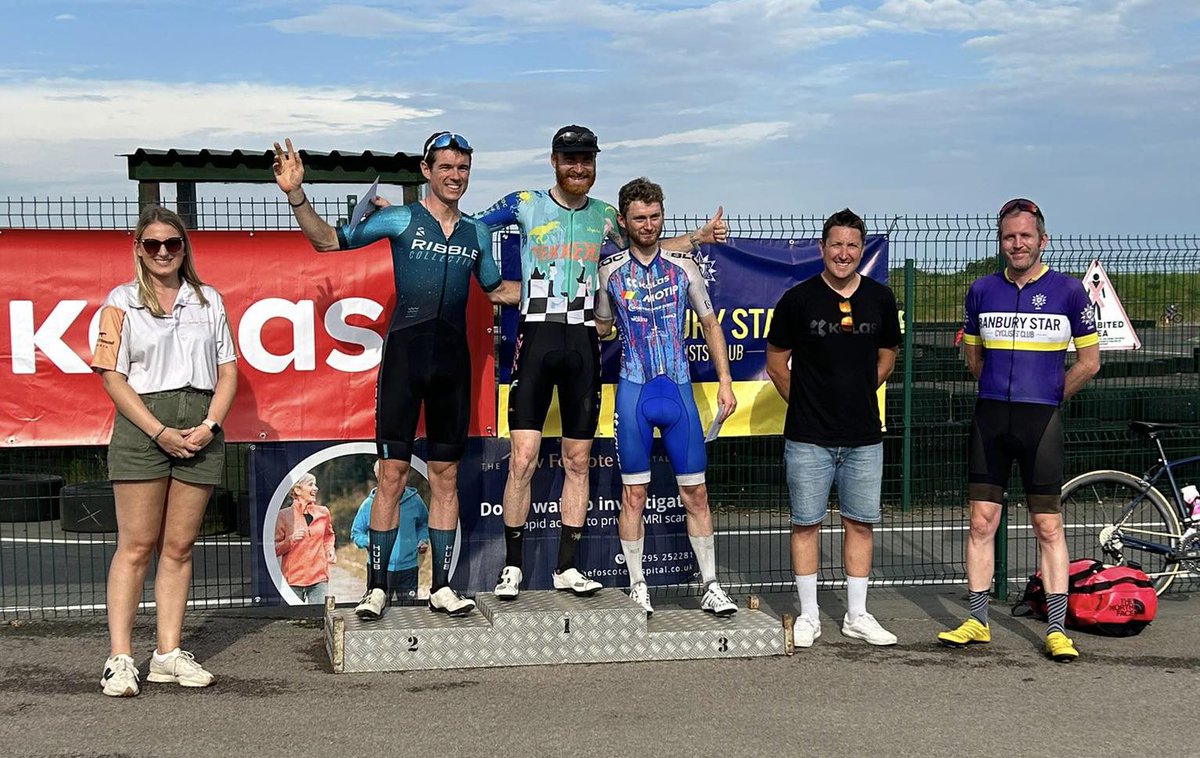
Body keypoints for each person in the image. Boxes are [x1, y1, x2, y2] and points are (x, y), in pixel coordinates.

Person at [272, 133, 518, 620]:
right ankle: (376, 589)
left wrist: (564, 283)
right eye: (445, 167)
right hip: (405, 360)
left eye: (462, 169)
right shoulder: (401, 219)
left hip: (453, 366)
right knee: (392, 474)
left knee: (446, 476)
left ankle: (441, 588)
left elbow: (497, 290)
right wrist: (296, 193)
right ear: (426, 171)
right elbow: (327, 242)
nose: (455, 176)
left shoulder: (476, 232)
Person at [477, 125, 728, 600]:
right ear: (554, 160)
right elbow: (471, 228)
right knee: (523, 459)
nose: (578, 167)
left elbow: (648, 248)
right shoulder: (525, 202)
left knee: (578, 460)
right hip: (535, 338)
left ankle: (566, 567)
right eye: (570, 158)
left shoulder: (605, 215)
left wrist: (698, 237)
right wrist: (495, 285)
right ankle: (511, 568)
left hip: (582, 341)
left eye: (586, 159)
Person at [938, 198, 1100, 662]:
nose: (1017, 244)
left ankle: (1056, 629)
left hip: (1040, 421)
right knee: (980, 522)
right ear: (1000, 242)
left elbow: (1089, 362)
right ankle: (977, 620)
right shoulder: (981, 290)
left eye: (1026, 236)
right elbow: (973, 357)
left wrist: (1050, 396)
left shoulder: (1069, 291)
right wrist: (997, 389)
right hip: (990, 418)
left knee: (1047, 525)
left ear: (1042, 240)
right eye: (1009, 237)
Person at [91, 205, 237, 696]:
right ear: (138, 248)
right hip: (143, 427)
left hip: (200, 427)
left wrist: (210, 425)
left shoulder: (209, 300)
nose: (162, 252)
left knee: (178, 547)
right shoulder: (119, 301)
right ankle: (119, 659)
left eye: (172, 244)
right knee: (135, 546)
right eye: (152, 244)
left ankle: (167, 654)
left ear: (183, 248)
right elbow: (112, 377)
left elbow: (228, 371)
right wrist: (158, 431)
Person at [594, 177, 738, 617]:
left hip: (677, 392)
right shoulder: (609, 272)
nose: (648, 225)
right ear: (624, 221)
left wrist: (725, 381)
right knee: (633, 496)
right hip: (633, 393)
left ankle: (711, 585)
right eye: (639, 218)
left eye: (655, 216)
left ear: (663, 216)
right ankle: (638, 586)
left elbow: (710, 325)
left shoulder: (685, 268)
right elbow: (603, 326)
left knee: (696, 493)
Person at [765, 208, 901, 648]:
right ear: (822, 248)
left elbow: (887, 356)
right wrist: (809, 402)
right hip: (808, 437)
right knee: (806, 524)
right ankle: (808, 616)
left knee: (860, 523)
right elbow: (776, 363)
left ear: (862, 249)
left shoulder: (880, 298)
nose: (844, 253)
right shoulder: (797, 300)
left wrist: (857, 392)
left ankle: (857, 615)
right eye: (836, 245)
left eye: (852, 245)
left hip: (864, 436)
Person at [351, 460, 430, 601]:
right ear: (378, 477)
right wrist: (368, 542)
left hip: (408, 567)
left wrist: (422, 539)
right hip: (378, 566)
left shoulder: (415, 501)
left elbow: (423, 524)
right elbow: (356, 532)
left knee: (409, 609)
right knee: (379, 607)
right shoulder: (369, 504)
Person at [274, 473, 336, 604]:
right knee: (294, 617)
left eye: (315, 484)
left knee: (320, 614)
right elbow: (275, 549)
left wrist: (330, 549)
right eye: (310, 484)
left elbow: (328, 536)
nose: (316, 488)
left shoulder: (323, 512)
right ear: (297, 490)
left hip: (319, 578)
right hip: (293, 580)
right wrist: (290, 540)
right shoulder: (283, 516)